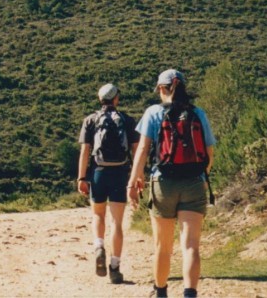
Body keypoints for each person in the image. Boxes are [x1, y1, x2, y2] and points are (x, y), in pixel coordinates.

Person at [127, 69, 216, 298]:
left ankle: (161, 292)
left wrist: (134, 180)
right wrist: (201, 176)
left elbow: (143, 150)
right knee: (191, 246)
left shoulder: (153, 112)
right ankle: (189, 293)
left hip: (163, 183)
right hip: (194, 182)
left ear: (160, 88)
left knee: (162, 247)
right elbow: (209, 153)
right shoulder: (198, 113)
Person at [76, 83, 140, 284]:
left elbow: (85, 151)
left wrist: (81, 178)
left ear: (99, 99)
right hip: (120, 173)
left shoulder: (91, 120)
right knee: (117, 222)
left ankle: (99, 246)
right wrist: (137, 177)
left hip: (98, 173)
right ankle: (114, 267)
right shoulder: (127, 120)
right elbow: (137, 150)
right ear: (116, 99)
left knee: (98, 214)